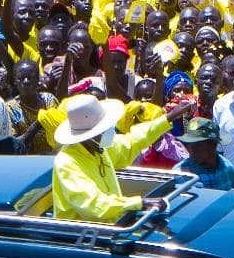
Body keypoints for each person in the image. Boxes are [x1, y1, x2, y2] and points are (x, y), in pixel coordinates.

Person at [48, 95, 171, 223]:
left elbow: (132, 141)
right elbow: (93, 204)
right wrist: (139, 203)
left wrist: (168, 118)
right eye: (104, 129)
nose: (110, 131)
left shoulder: (99, 147)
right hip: (81, 232)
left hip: (110, 225)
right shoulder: (67, 162)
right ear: (89, 136)